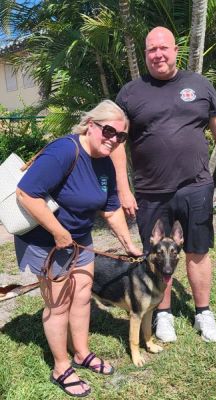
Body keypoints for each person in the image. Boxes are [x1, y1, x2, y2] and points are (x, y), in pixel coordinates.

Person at [112, 27, 216, 343]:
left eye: (163, 48)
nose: (157, 54)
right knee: (156, 255)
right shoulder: (130, 93)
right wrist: (123, 189)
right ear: (145, 54)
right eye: (151, 49)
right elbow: (114, 142)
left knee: (197, 250)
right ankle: (164, 315)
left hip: (196, 187)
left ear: (175, 50)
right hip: (150, 191)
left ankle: (203, 312)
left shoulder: (198, 85)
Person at [15, 100, 141, 398]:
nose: (113, 139)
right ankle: (61, 366)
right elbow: (25, 193)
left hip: (80, 239)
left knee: (82, 298)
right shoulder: (64, 151)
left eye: (120, 136)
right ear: (90, 125)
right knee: (58, 305)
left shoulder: (105, 163)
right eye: (108, 131)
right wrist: (58, 232)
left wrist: (130, 246)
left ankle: (81, 352)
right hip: (46, 241)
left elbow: (111, 210)